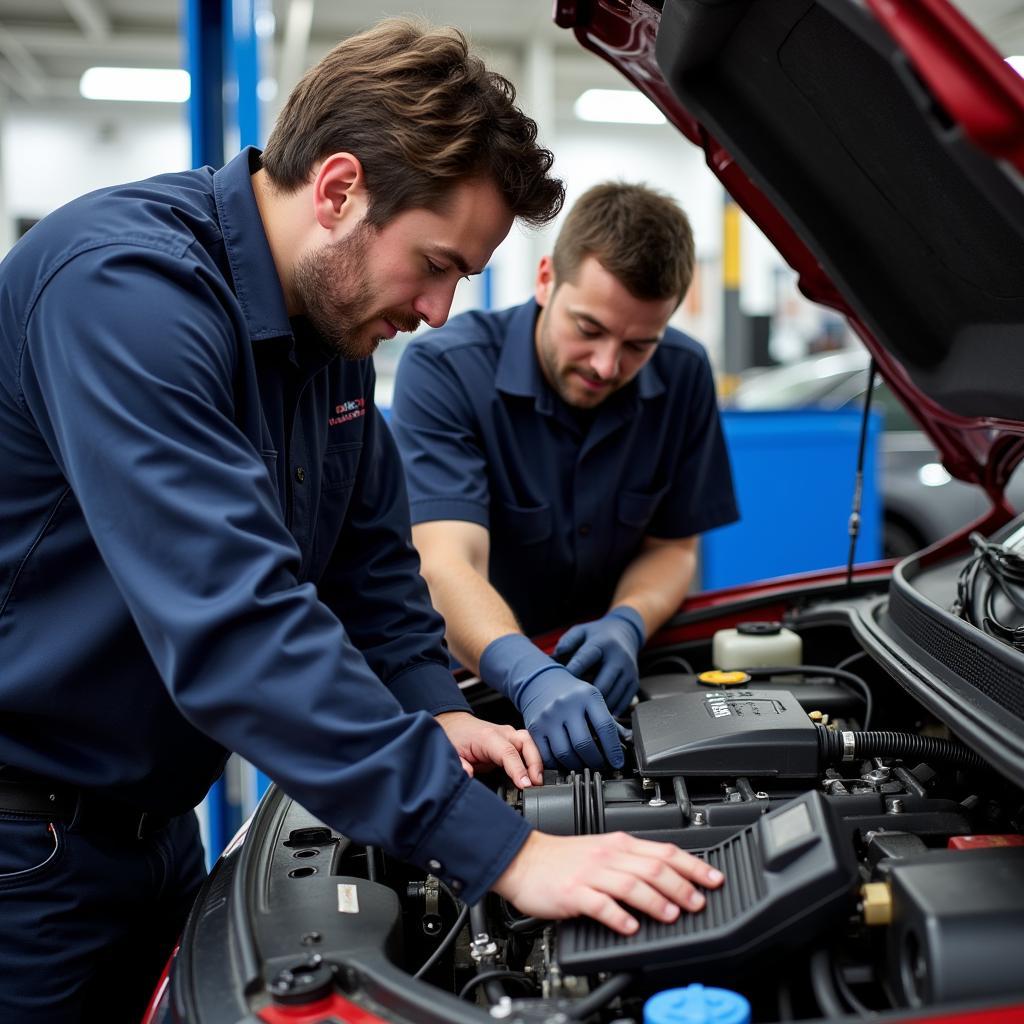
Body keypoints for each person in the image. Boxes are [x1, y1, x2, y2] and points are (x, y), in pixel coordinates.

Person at [0, 22, 723, 1023]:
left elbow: (369, 560)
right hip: (27, 852)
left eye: (461, 276)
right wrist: (502, 849)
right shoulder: (126, 293)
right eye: (435, 263)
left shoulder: (322, 328)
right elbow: (239, 626)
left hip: (154, 830)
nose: (438, 309)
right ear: (337, 189)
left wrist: (436, 704)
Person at [391, 182, 739, 770]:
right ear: (547, 277)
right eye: (589, 329)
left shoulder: (684, 375)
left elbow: (675, 548)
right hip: (473, 693)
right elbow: (445, 563)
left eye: (638, 345)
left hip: (615, 691)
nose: (607, 365)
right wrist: (529, 674)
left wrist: (628, 622)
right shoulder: (446, 372)